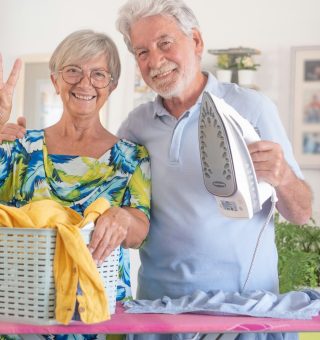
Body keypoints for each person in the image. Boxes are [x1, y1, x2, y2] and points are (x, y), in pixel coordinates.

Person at [1, 1, 312, 339]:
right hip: (159, 313)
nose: (155, 60)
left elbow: (300, 211)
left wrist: (283, 177)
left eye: (165, 43)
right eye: (142, 51)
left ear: (195, 41)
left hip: (239, 314)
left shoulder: (252, 108)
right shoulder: (137, 128)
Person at [0, 29, 150, 340]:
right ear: (55, 80)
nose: (85, 83)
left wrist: (124, 217)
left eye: (98, 74)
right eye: (73, 71)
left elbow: (139, 233)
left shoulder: (132, 158)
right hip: (25, 317)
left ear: (111, 86)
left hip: (100, 317)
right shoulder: (18, 147)